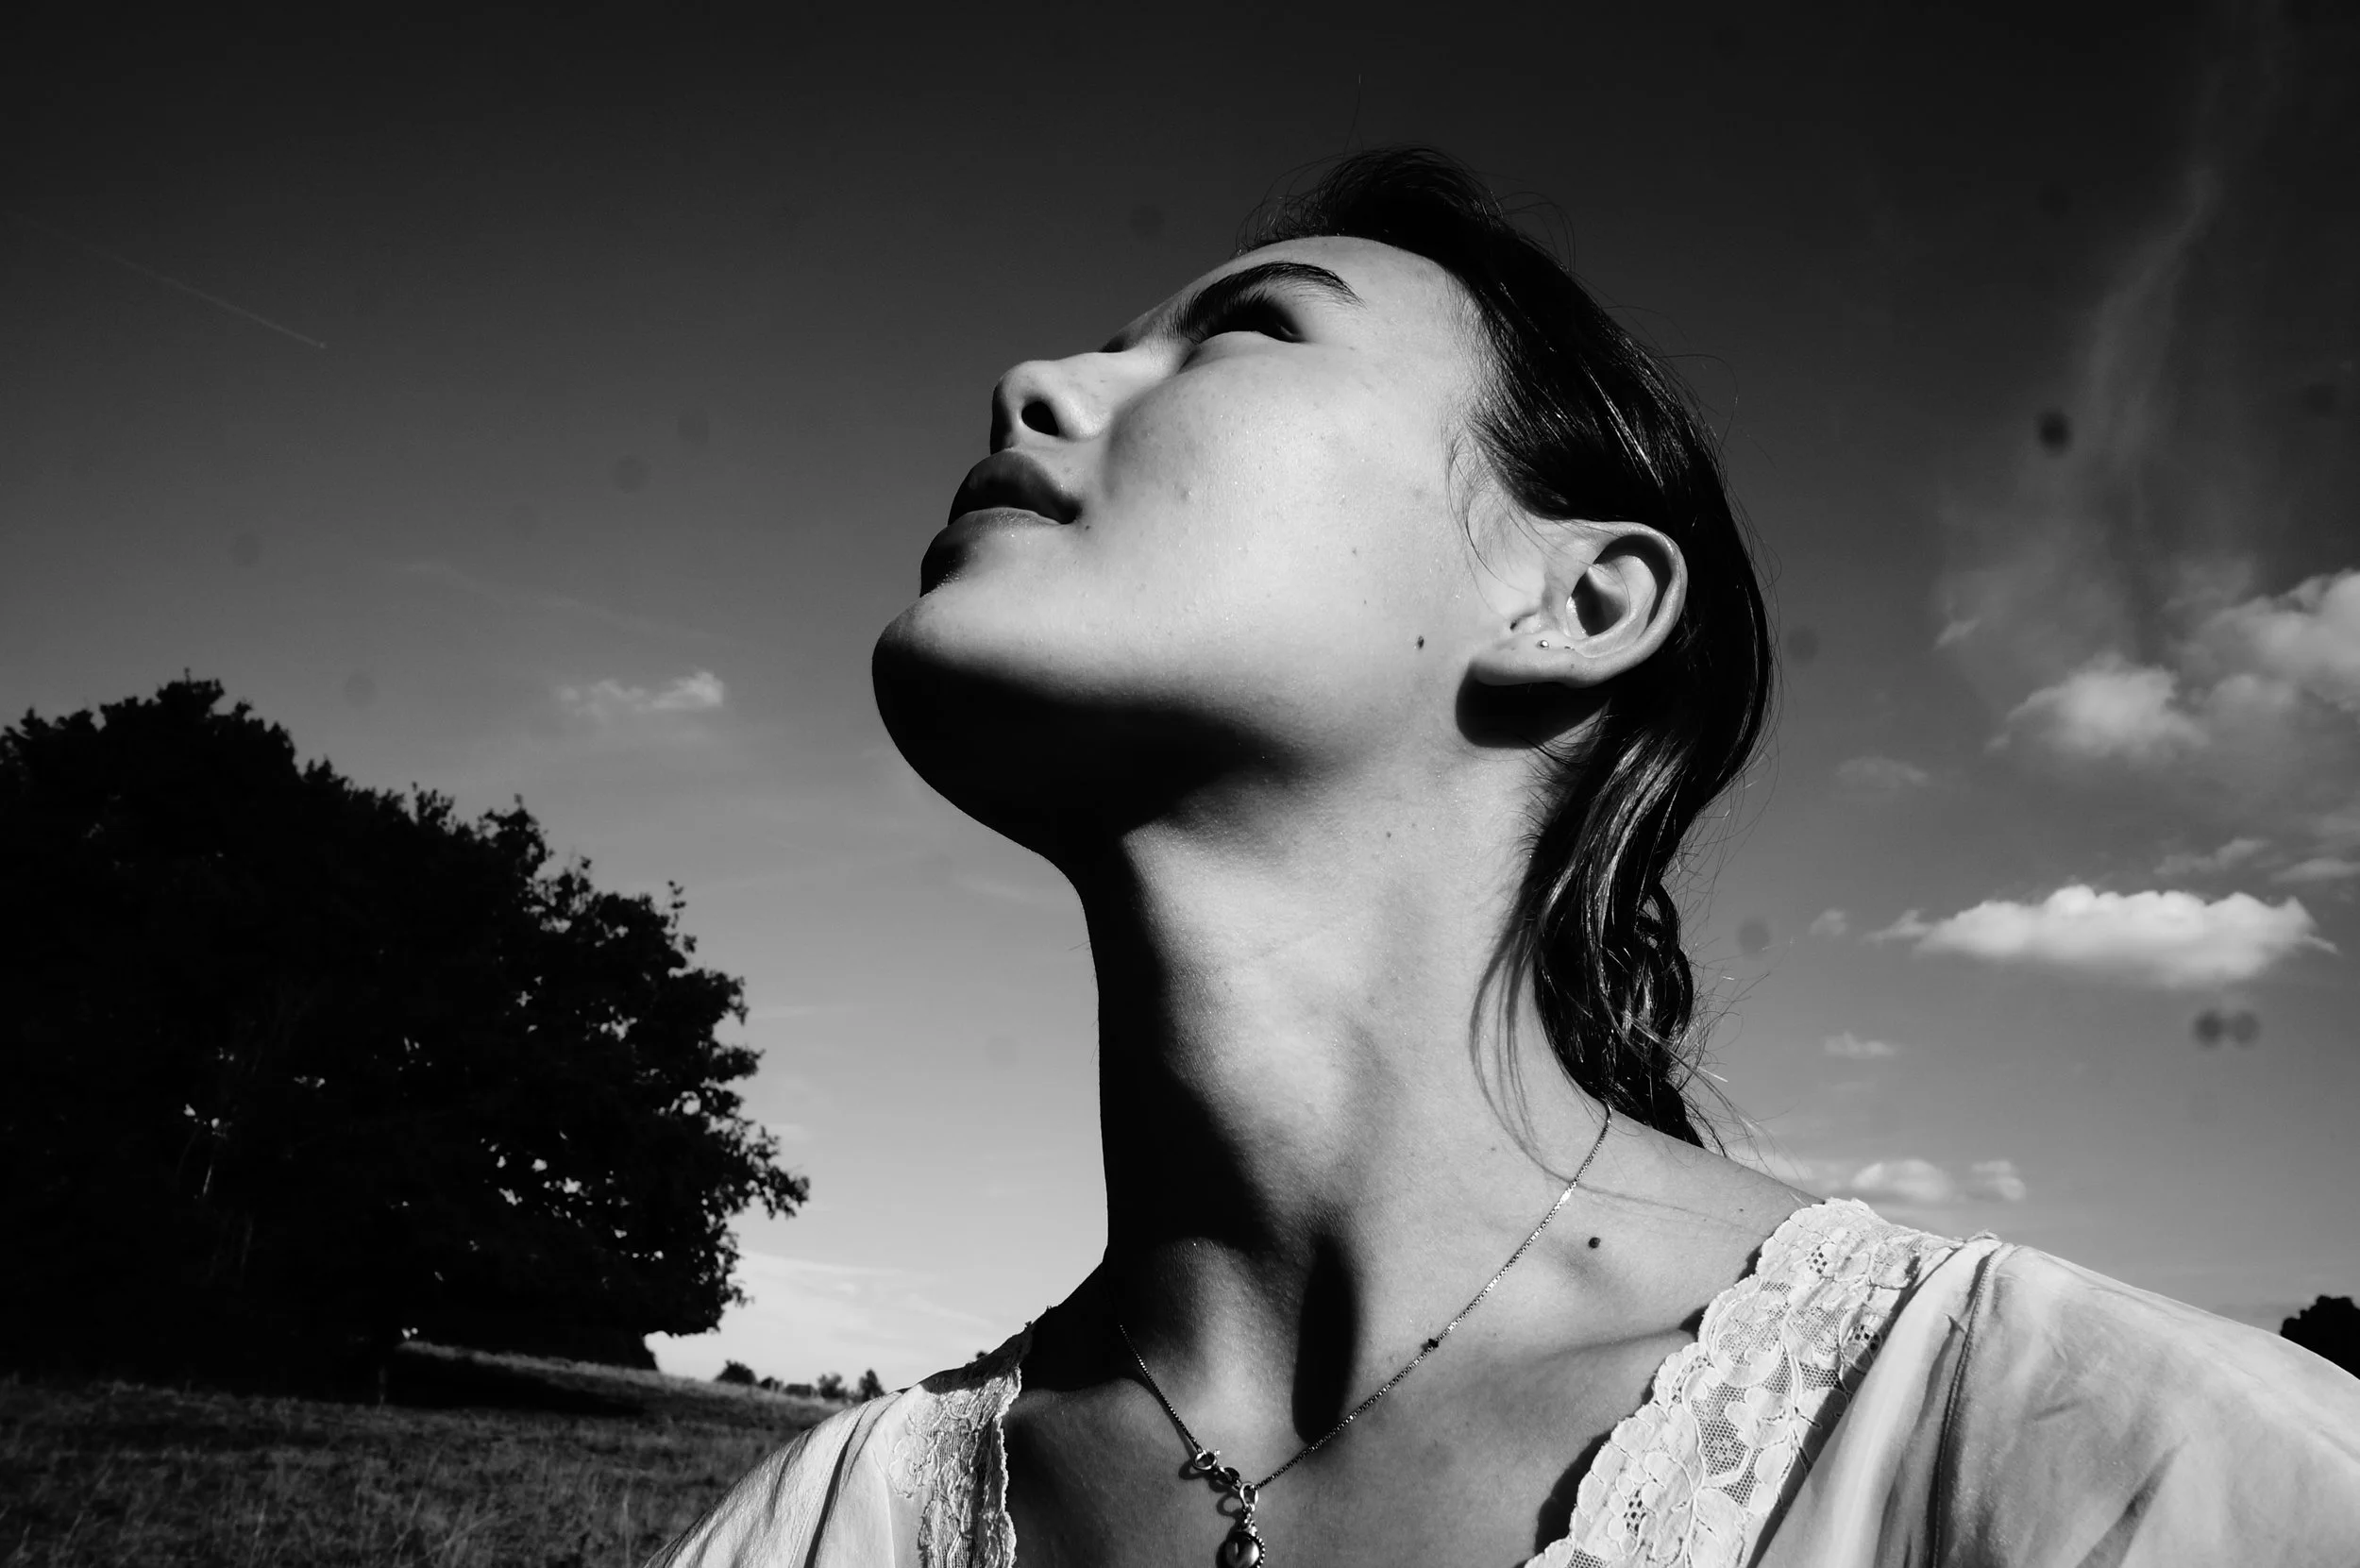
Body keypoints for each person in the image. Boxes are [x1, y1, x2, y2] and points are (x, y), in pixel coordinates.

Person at [649, 149, 2360, 1567]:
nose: (1032, 384)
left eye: (1246, 331)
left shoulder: (2104, 1468)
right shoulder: (824, 1526)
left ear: (1573, 602)